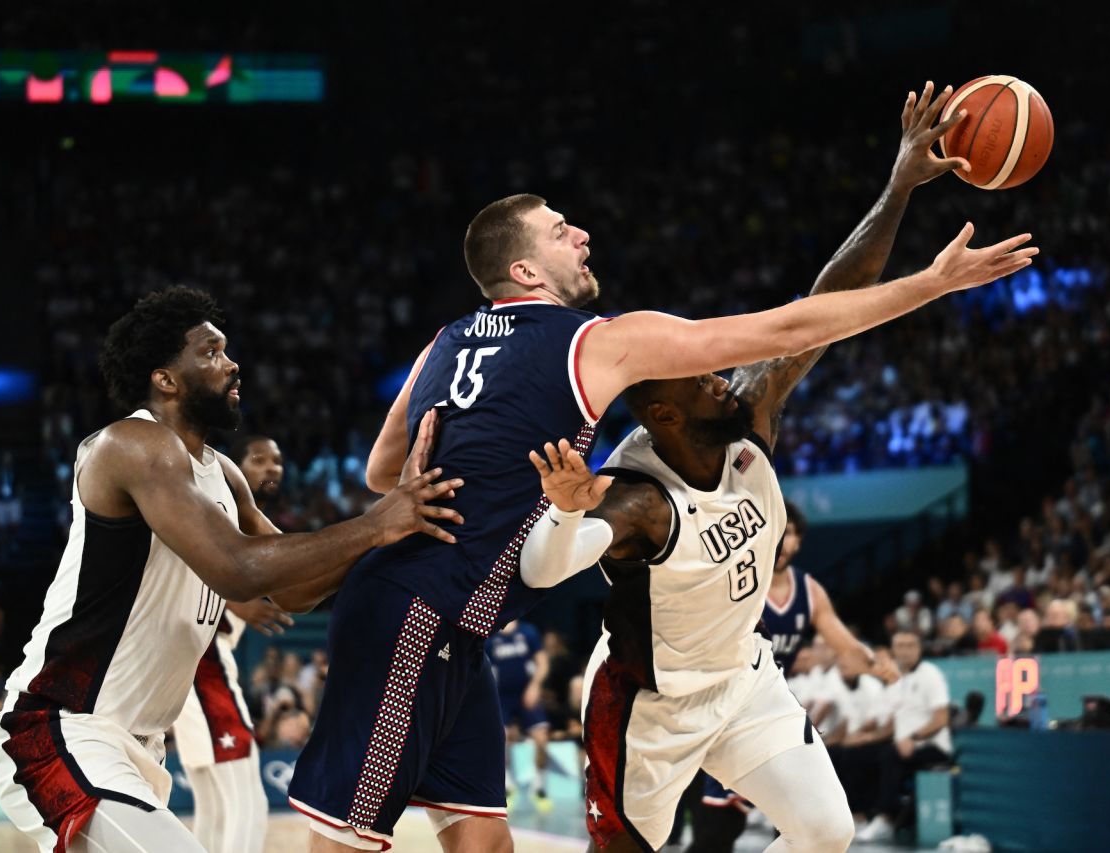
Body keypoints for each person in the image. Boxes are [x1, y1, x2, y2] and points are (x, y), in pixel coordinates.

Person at [290, 79, 1036, 853]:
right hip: (454, 625)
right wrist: (934, 283)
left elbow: (384, 469)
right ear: (524, 272)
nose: (580, 234)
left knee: (487, 844)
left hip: (499, 633)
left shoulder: (447, 337)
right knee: (345, 841)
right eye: (558, 230)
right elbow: (789, 322)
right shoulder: (598, 357)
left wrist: (899, 187)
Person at [519, 83, 977, 853]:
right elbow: (540, 570)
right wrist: (564, 509)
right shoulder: (641, 501)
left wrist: (898, 185)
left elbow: (830, 299)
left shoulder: (751, 410)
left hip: (742, 681)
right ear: (663, 416)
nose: (723, 375)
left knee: (828, 831)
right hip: (648, 708)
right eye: (702, 377)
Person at [0, 287, 463, 853]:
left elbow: (296, 591)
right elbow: (237, 570)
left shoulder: (224, 474)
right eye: (210, 353)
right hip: (62, 728)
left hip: (140, 746)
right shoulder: (133, 444)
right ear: (166, 379)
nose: (231, 363)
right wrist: (376, 524)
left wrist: (400, 532)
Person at [688, 504, 899, 853]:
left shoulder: (809, 591)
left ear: (799, 541)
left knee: (811, 827)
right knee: (715, 833)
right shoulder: (738, 577)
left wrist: (874, 663)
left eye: (792, 535)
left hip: (768, 711)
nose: (785, 543)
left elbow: (844, 644)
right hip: (721, 710)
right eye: (780, 533)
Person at [170, 435, 296, 853]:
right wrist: (235, 600)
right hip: (202, 663)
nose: (272, 468)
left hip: (189, 668)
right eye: (260, 459)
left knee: (213, 803)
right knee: (248, 798)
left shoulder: (243, 520)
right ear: (232, 469)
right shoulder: (213, 507)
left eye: (277, 461)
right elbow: (181, 560)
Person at [851, 630, 953, 843]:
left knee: (889, 755)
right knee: (857, 754)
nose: (905, 651)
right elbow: (894, 722)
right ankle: (859, 815)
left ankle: (886, 820)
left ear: (919, 648)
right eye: (900, 646)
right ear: (893, 650)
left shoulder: (930, 674)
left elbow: (941, 719)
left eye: (910, 645)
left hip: (933, 746)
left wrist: (914, 738)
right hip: (902, 745)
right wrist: (867, 738)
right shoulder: (899, 679)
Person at [485, 620, 552, 805]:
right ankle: (507, 785)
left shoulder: (528, 632)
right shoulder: (491, 635)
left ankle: (539, 786)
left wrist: (535, 685)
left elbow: (542, 663)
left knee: (541, 738)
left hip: (526, 693)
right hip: (501, 696)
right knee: (501, 739)